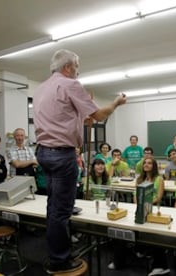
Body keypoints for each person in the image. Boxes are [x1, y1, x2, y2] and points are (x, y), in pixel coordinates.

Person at [33, 49, 126, 274]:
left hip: (43, 152)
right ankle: (60, 260)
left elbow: (66, 117)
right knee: (62, 211)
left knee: (53, 205)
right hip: (62, 154)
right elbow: (100, 115)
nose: (78, 70)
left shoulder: (40, 89)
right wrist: (115, 103)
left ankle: (55, 252)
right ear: (67, 67)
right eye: (76, 65)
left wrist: (83, 113)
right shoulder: (70, 84)